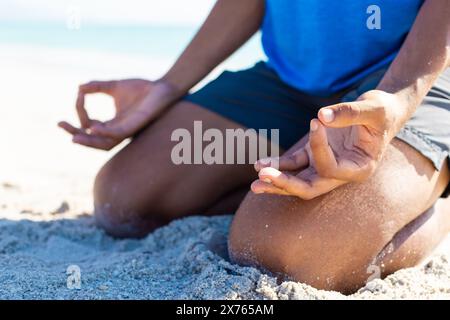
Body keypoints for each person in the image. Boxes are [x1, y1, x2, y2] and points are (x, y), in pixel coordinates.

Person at [58, 0, 450, 293]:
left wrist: (399, 96)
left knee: (287, 255)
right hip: (292, 77)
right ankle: (300, 159)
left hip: (418, 73)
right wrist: (169, 85)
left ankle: (432, 188)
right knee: (125, 200)